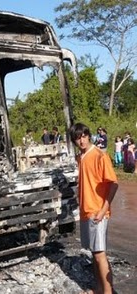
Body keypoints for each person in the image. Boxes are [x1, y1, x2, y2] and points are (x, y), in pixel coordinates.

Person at [69, 123, 118, 294]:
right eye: (77, 138)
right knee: (94, 253)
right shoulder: (81, 157)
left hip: (98, 211)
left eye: (83, 136)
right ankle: (99, 287)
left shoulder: (99, 156)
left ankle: (107, 291)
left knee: (100, 254)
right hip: (86, 210)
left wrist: (104, 210)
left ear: (89, 135)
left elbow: (114, 184)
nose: (81, 140)